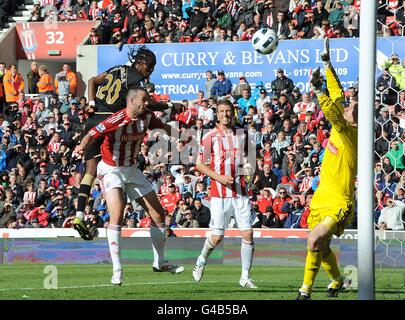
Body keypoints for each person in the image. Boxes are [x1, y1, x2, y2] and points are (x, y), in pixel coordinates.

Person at [74, 87, 184, 285]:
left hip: (131, 169)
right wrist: (82, 145)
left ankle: (159, 263)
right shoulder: (116, 120)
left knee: (158, 214)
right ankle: (117, 270)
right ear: (131, 101)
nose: (147, 102)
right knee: (117, 214)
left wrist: (182, 137)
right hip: (111, 169)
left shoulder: (147, 117)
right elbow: (92, 133)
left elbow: (164, 127)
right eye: (144, 99)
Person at [73, 46, 181, 240]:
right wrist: (171, 105)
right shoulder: (136, 80)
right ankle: (151, 221)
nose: (151, 71)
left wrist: (90, 103)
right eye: (149, 67)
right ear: (139, 63)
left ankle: (79, 214)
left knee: (89, 172)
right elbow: (149, 104)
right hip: (111, 122)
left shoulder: (116, 69)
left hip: (93, 118)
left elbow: (92, 81)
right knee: (124, 158)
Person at [297, 38, 357, 300]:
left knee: (314, 240)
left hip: (339, 202)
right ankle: (338, 281)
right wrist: (326, 63)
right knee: (322, 248)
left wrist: (319, 91)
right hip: (321, 198)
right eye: (351, 104)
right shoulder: (343, 124)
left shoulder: (350, 134)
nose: (350, 105)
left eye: (354, 107)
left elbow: (333, 110)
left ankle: (304, 292)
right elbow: (338, 94)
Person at [192, 99, 257, 289]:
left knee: (248, 233)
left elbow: (251, 159)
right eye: (221, 111)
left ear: (233, 113)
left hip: (241, 193)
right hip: (219, 194)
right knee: (217, 237)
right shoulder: (209, 136)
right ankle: (201, 259)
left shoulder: (243, 134)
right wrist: (219, 178)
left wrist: (250, 169)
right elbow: (199, 164)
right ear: (217, 114)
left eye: (228, 111)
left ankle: (245, 277)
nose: (225, 114)